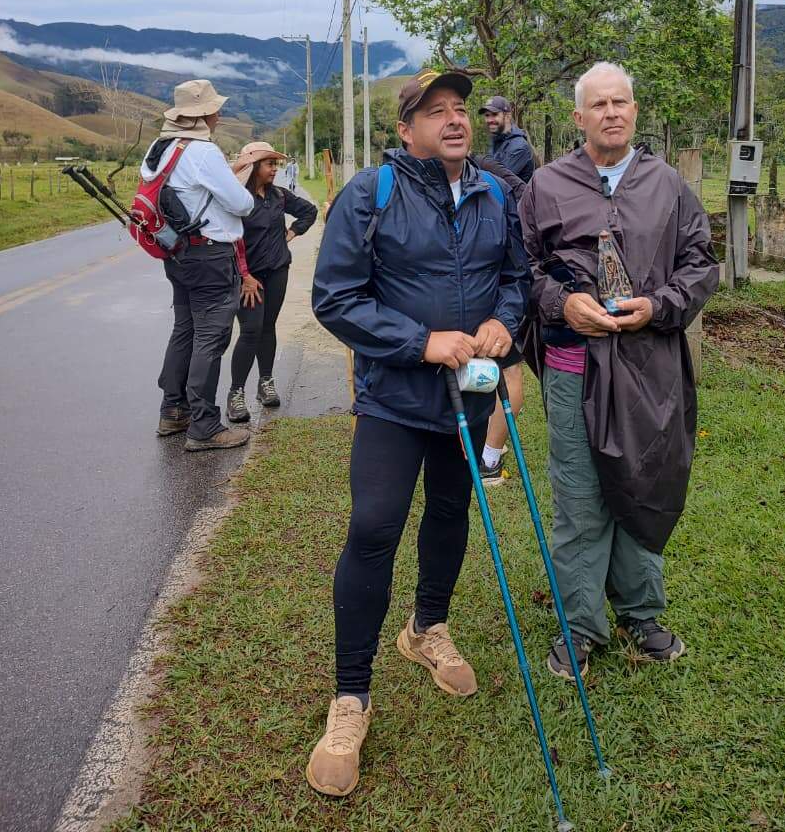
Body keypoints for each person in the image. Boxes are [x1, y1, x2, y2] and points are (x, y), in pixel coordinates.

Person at [306, 68, 529, 799]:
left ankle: (427, 628)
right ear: (406, 131)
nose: (455, 120)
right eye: (436, 112)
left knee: (451, 511)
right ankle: (351, 696)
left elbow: (516, 279)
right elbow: (335, 297)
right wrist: (419, 342)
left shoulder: (496, 193)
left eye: (460, 108)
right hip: (394, 399)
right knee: (374, 527)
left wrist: (503, 321)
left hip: (469, 396)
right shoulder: (370, 194)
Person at [520, 62, 719, 680]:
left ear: (635, 110)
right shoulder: (545, 185)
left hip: (648, 364)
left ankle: (641, 612)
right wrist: (562, 302)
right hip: (574, 366)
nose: (611, 112)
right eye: (599, 104)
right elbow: (521, 270)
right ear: (578, 117)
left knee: (643, 481)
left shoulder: (668, 185)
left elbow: (701, 264)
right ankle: (580, 627)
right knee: (580, 496)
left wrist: (658, 306)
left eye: (621, 102)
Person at [148, 79, 255, 451]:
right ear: (203, 115)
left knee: (185, 331)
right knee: (211, 338)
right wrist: (236, 178)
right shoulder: (204, 152)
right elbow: (242, 204)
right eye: (214, 110)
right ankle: (204, 426)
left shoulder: (160, 148)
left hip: (178, 253)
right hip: (211, 257)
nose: (219, 115)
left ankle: (173, 410)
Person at [225, 142, 318, 422]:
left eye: (276, 164)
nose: (275, 169)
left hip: (277, 270)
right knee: (250, 330)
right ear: (254, 167)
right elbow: (229, 240)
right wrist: (244, 276)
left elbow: (309, 211)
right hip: (247, 277)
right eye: (269, 164)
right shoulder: (238, 199)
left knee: (268, 327)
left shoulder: (279, 195)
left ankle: (265, 383)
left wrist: (291, 233)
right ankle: (236, 393)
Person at [471, 153, 527, 485]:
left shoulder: (489, 173)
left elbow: (526, 193)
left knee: (509, 372)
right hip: (483, 294)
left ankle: (490, 458)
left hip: (504, 291)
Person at [478, 94, 536, 183]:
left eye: (494, 114)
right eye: (487, 115)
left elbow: (497, 181)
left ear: (508, 116)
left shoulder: (519, 146)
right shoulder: (497, 140)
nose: (489, 120)